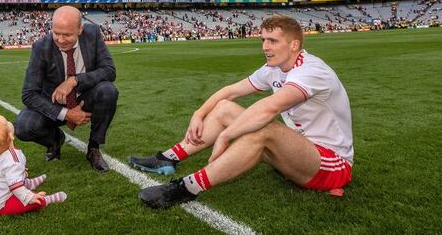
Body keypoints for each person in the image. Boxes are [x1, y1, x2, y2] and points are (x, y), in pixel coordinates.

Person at [130, 15, 354, 208]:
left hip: (331, 164)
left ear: (294, 45)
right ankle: (168, 158)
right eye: (263, 40)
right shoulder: (273, 68)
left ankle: (186, 188)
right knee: (224, 108)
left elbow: (269, 107)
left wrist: (227, 136)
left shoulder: (311, 69)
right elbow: (230, 92)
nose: (265, 47)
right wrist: (198, 113)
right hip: (298, 151)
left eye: (273, 41)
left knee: (264, 129)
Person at [14, 6, 118, 172]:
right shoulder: (41, 47)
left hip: (84, 98)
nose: (60, 40)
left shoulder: (93, 34)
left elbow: (109, 70)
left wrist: (74, 80)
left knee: (108, 91)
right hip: (53, 104)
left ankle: (94, 148)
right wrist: (67, 114)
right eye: (56, 33)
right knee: (23, 126)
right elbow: (28, 94)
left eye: (67, 34)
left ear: (80, 30)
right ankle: (55, 139)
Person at [0, 115, 67, 216]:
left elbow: (5, 175)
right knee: (31, 201)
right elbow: (15, 187)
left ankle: (28, 183)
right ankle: (47, 200)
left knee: (14, 178)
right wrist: (30, 197)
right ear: (11, 136)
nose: (9, 122)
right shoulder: (11, 160)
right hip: (0, 205)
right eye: (7, 123)